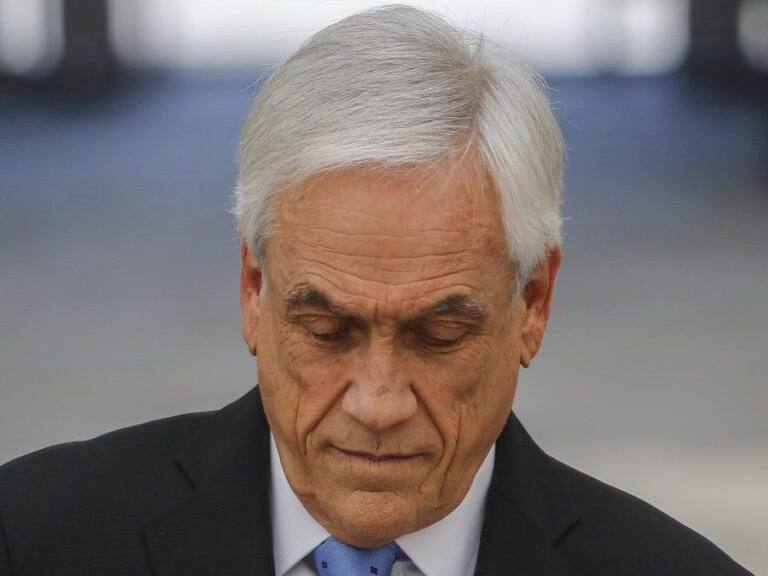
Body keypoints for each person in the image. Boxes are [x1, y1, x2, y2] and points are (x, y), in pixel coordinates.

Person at [0, 5, 752, 576]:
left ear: (534, 303)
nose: (378, 403)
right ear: (252, 289)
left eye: (440, 334)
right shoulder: (33, 538)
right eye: (327, 331)